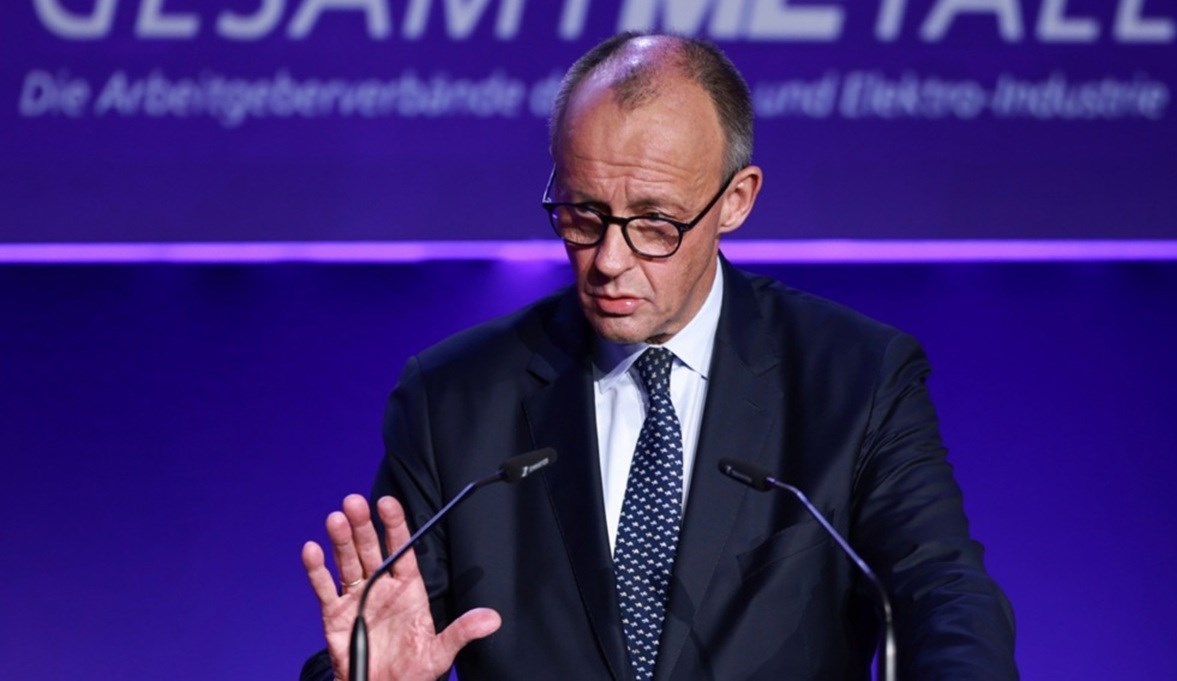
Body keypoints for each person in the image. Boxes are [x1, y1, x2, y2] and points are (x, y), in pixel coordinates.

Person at [300, 32, 1017, 681]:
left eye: (653, 223)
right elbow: (393, 637)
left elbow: (943, 593)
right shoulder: (453, 399)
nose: (608, 260)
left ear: (736, 200)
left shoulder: (854, 379)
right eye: (582, 214)